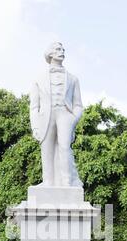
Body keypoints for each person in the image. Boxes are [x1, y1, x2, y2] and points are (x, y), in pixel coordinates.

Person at [30, 42, 83, 187]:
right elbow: (34, 107)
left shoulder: (73, 79)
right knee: (46, 148)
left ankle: (67, 182)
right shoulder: (38, 79)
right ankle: (47, 181)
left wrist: (74, 119)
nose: (62, 51)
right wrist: (35, 127)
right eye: (58, 49)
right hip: (45, 117)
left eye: (63, 49)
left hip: (65, 114)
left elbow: (78, 105)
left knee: (64, 147)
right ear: (50, 54)